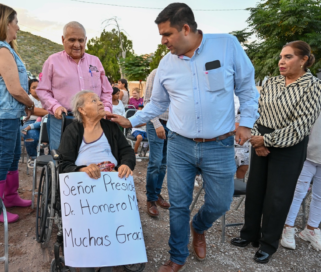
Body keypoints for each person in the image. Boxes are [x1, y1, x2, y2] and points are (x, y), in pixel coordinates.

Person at [108, 3, 259, 271]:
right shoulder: (166, 64)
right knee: (178, 204)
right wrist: (130, 120)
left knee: (220, 202)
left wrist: (246, 123)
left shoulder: (227, 46)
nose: (163, 41)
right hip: (179, 145)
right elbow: (156, 104)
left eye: (166, 34)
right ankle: (177, 256)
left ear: (186, 28)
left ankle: (198, 226)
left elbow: (247, 89)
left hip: (220, 145)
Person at [231, 41, 321, 264]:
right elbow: (256, 111)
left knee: (277, 198)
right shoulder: (271, 82)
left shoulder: (314, 87)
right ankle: (249, 234)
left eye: (288, 57)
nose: (281, 61)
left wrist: (266, 140)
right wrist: (257, 140)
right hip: (260, 139)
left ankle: (268, 244)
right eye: (281, 57)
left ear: (303, 60)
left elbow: (301, 125)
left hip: (289, 147)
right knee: (255, 190)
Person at [58, 91, 135, 272]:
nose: (100, 103)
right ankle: (90, 255)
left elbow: (127, 151)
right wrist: (81, 169)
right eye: (94, 100)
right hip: (84, 185)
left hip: (112, 181)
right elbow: (63, 163)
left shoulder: (111, 127)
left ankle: (108, 250)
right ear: (82, 110)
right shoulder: (73, 130)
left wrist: (125, 164)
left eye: (100, 99)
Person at [0, 3, 35, 223]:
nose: (18, 28)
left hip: (8, 113)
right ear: (6, 23)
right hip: (3, 113)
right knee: (4, 157)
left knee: (12, 155)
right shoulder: (0, 50)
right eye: (16, 23)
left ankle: (10, 196)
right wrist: (30, 103)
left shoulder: (2, 48)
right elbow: (14, 89)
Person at [36, 21, 112, 151]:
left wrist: (106, 109)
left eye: (81, 40)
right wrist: (55, 107)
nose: (77, 45)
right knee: (62, 159)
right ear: (63, 39)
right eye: (72, 40)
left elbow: (106, 91)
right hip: (62, 119)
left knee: (91, 159)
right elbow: (43, 90)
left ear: (86, 40)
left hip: (93, 120)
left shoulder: (95, 61)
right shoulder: (52, 61)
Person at [281, 113, 321, 251]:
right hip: (307, 154)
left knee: (319, 196)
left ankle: (311, 229)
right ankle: (288, 227)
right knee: (298, 193)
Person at [143, 68, 170, 217]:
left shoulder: (180, 72)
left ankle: (157, 193)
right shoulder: (156, 73)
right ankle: (151, 199)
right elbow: (147, 101)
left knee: (164, 163)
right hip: (156, 122)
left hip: (173, 125)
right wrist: (156, 123)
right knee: (155, 162)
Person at [21, 78, 48, 168]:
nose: (37, 89)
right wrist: (49, 111)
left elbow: (35, 111)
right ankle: (33, 157)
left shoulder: (47, 97)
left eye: (39, 87)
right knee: (31, 135)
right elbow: (32, 111)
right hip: (31, 122)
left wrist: (38, 111)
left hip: (46, 122)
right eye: (34, 87)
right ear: (29, 90)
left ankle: (46, 156)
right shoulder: (27, 99)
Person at [234, 95, 250, 179]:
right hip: (226, 140)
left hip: (244, 140)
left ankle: (239, 190)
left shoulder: (251, 95)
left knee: (243, 167)